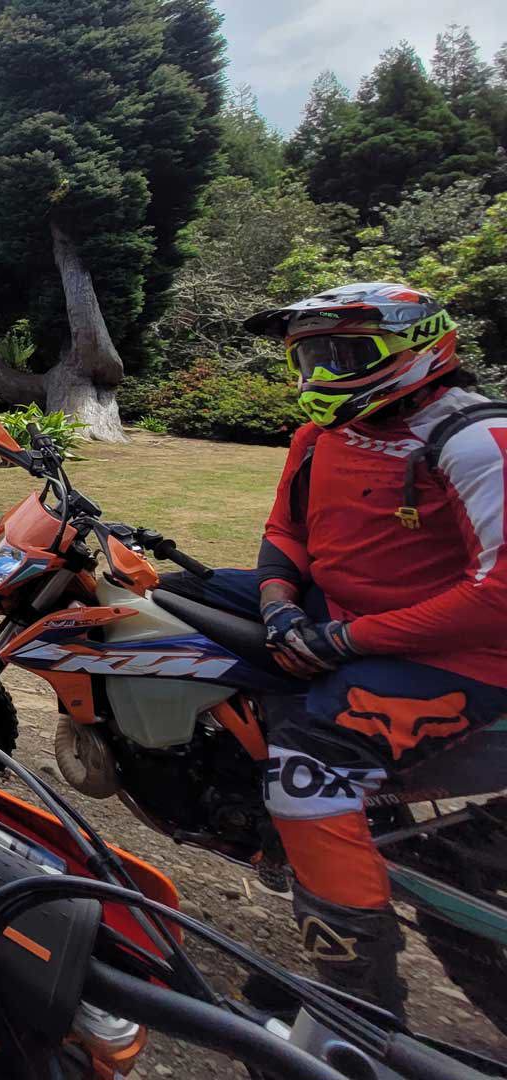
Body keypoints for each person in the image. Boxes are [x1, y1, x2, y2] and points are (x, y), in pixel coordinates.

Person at [180, 282, 507, 1019]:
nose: (322, 376)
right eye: (311, 358)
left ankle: (359, 1001)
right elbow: (287, 533)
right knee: (166, 604)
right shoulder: (319, 436)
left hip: (461, 655)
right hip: (339, 613)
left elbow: (500, 593)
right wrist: (278, 604)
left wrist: (342, 640)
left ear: (418, 345)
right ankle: (229, 787)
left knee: (309, 766)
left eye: (344, 356)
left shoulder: (473, 439)